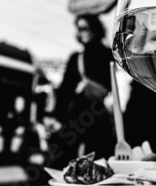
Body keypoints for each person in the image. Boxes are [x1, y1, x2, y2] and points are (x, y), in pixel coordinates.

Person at [48, 14, 114, 168]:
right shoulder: (75, 57)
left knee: (99, 158)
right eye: (79, 29)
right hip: (75, 112)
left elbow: (111, 85)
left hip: (96, 111)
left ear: (95, 29)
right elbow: (64, 91)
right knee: (62, 158)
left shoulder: (107, 54)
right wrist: (57, 117)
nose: (82, 32)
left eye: (85, 27)